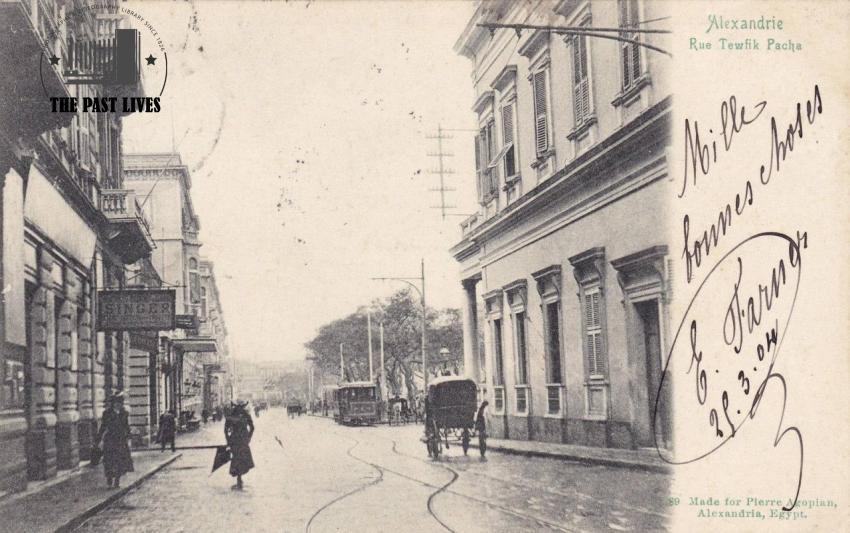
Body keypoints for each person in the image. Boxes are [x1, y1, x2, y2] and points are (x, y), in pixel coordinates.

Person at [97, 392, 134, 488]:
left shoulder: (124, 413)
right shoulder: (107, 413)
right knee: (109, 460)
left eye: (120, 402)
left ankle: (117, 480)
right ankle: (109, 479)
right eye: (116, 402)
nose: (118, 404)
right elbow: (103, 426)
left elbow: (126, 426)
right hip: (110, 439)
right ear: (113, 403)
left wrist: (129, 437)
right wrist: (98, 439)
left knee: (119, 461)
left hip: (121, 440)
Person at [225, 400, 255, 489]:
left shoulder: (232, 416)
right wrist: (248, 437)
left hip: (235, 439)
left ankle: (239, 477)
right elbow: (252, 428)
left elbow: (225, 430)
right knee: (241, 458)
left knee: (236, 457)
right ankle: (239, 477)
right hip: (242, 439)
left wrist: (228, 440)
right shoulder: (246, 415)